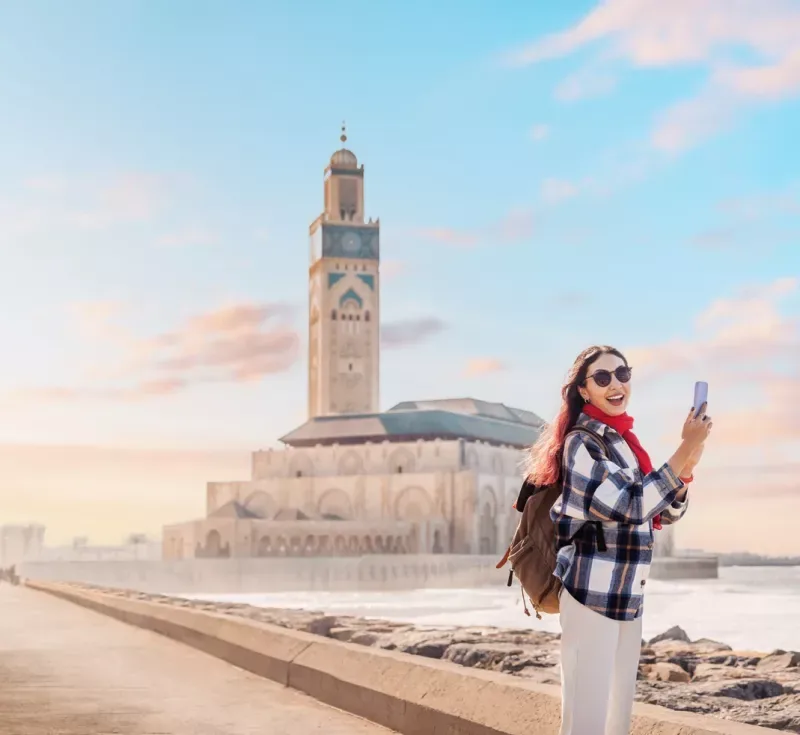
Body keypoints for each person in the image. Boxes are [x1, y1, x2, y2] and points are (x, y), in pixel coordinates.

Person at [525, 345, 711, 735]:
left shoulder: (626, 443)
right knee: (585, 722)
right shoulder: (582, 443)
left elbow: (663, 513)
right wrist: (683, 449)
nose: (616, 384)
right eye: (603, 377)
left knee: (616, 722)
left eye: (622, 374)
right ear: (583, 390)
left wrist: (686, 472)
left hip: (628, 596)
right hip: (590, 596)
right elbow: (628, 504)